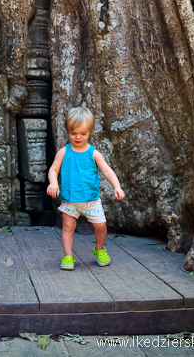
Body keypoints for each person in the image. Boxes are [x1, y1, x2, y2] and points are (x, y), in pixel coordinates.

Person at [47, 107, 125, 270]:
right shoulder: (63, 152)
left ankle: (99, 249)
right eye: (73, 133)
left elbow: (107, 170)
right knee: (68, 228)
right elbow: (53, 169)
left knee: (101, 226)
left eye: (83, 133)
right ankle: (68, 256)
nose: (78, 137)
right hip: (70, 201)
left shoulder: (94, 153)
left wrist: (116, 186)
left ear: (90, 132)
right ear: (68, 131)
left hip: (91, 201)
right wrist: (53, 182)